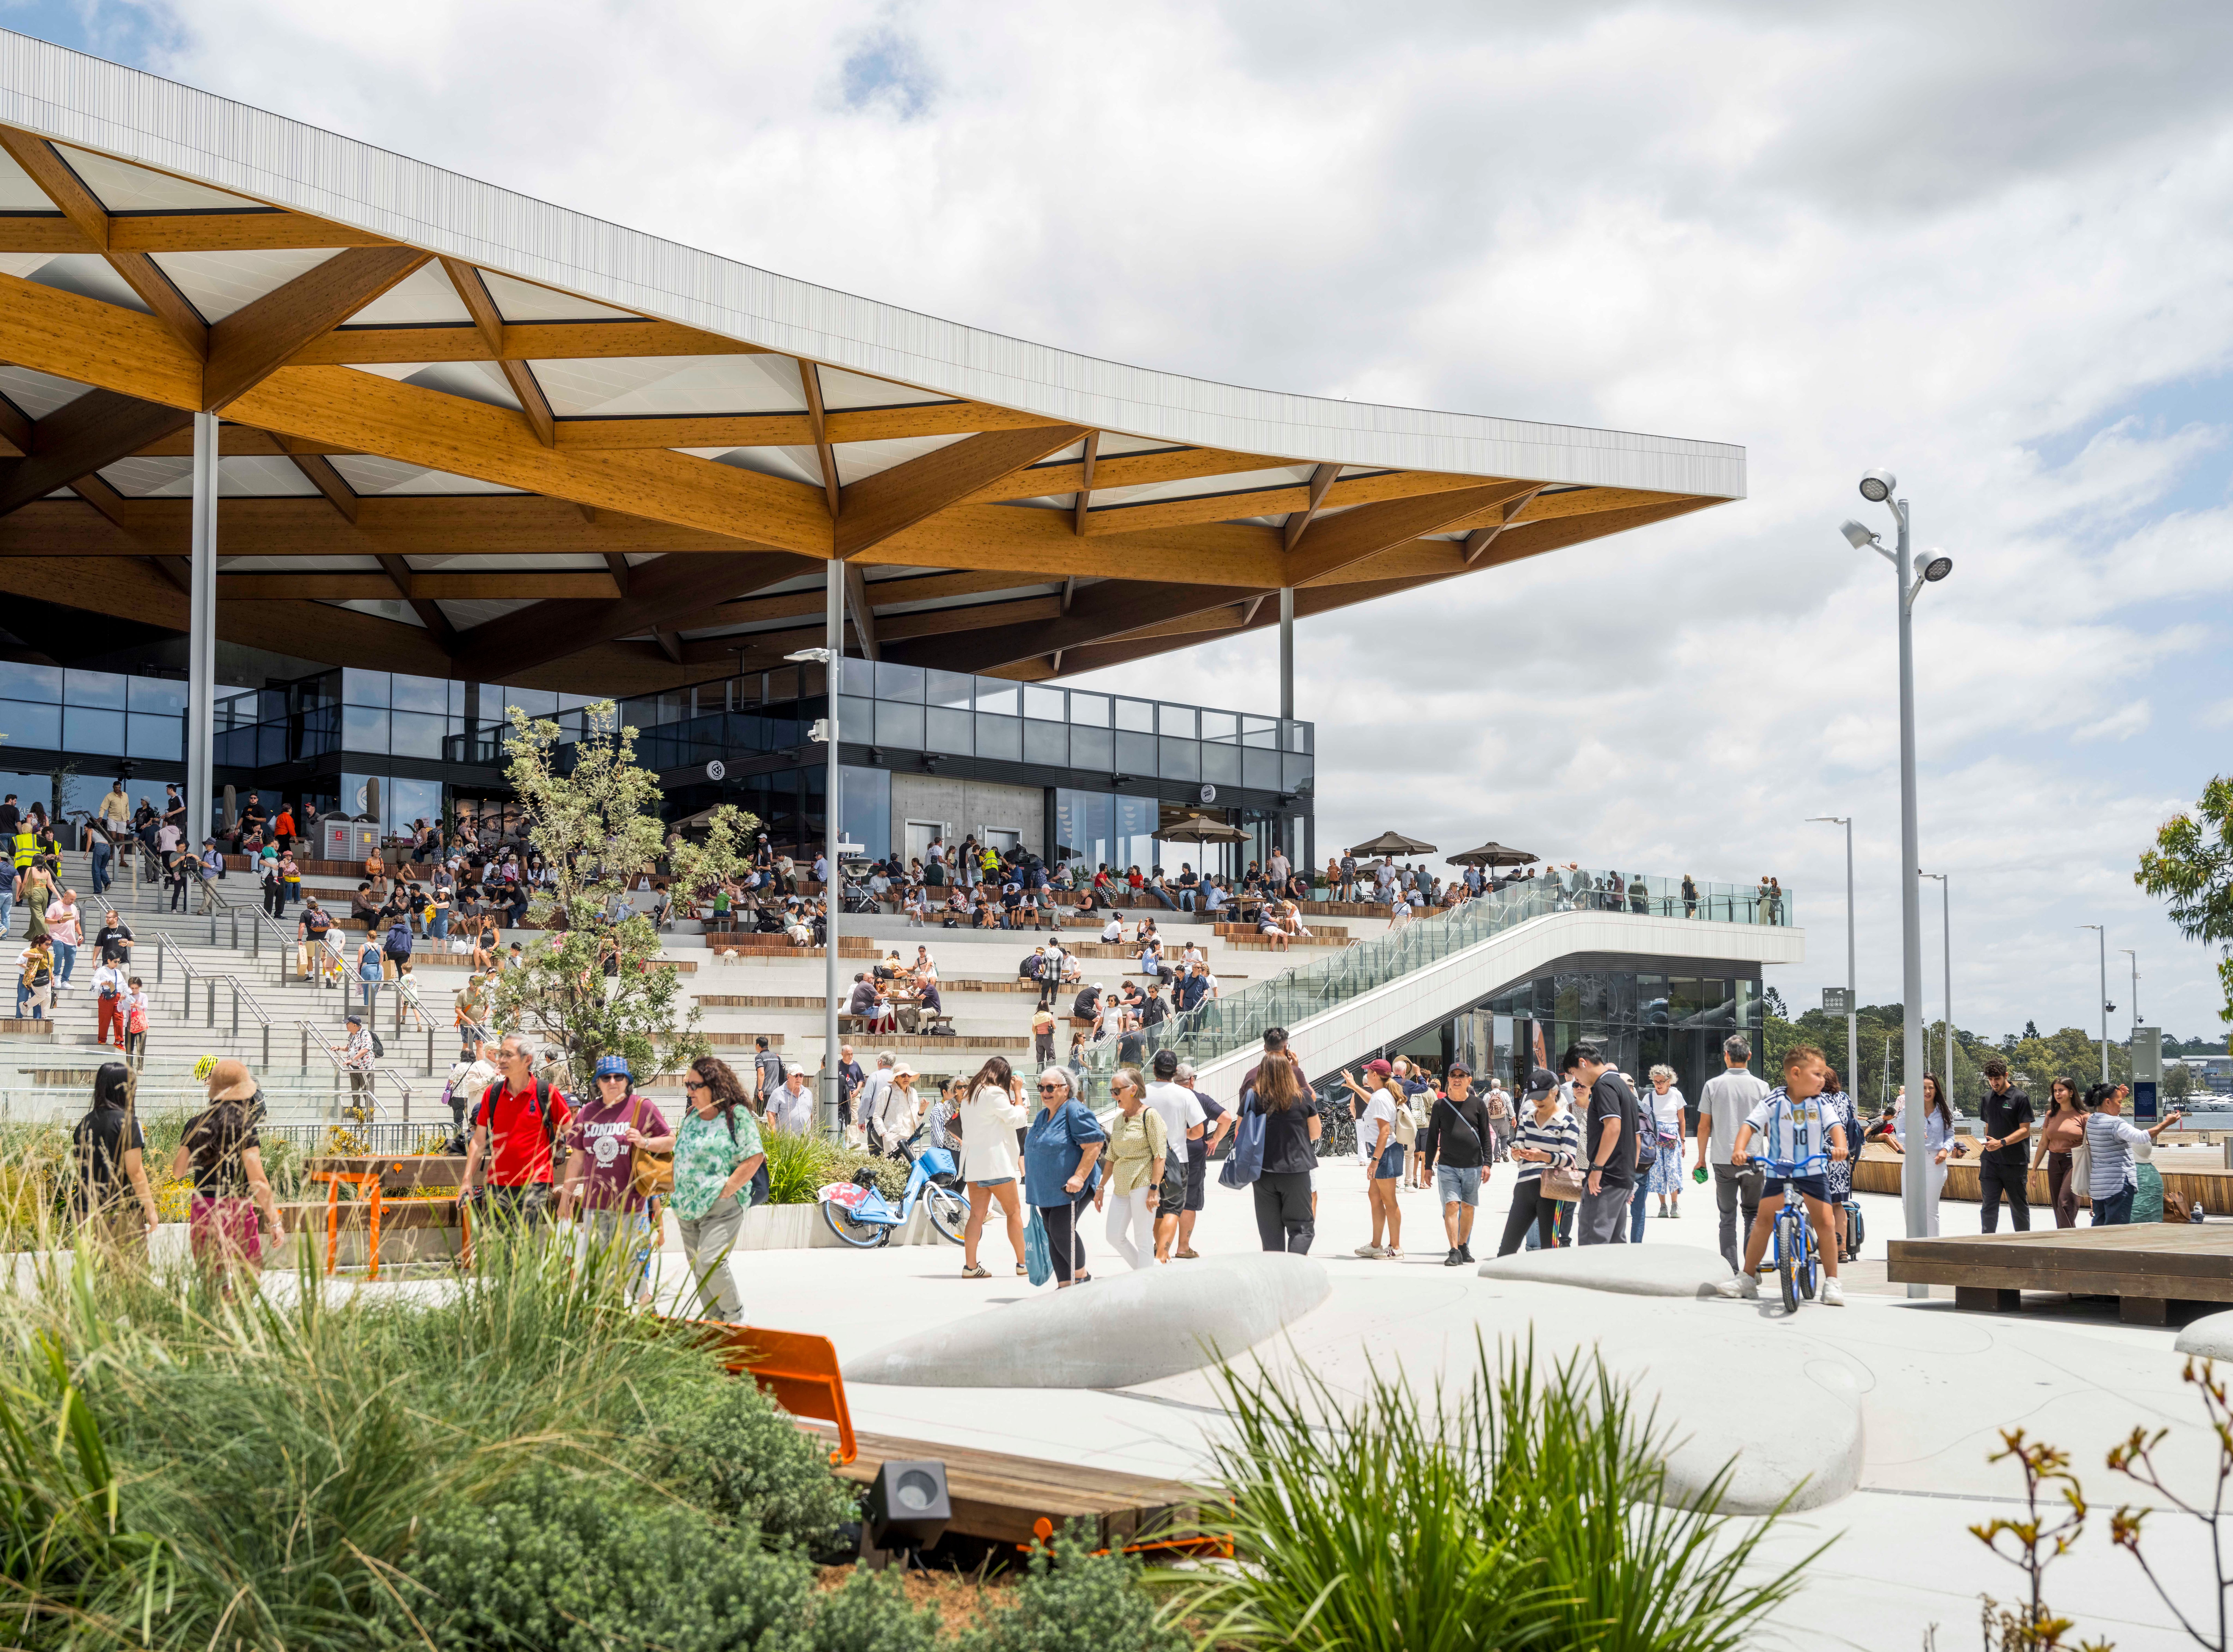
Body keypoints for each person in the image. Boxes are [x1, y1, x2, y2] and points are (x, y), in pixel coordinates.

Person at [1714, 1044, 1849, 1306]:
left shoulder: (1821, 1103)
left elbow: (1836, 1127)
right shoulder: (1775, 1099)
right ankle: (1747, 1278)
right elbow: (1750, 1125)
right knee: (1764, 1221)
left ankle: (1832, 1282)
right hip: (1780, 1170)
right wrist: (1740, 1149)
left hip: (1812, 1170)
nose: (1823, 1080)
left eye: (1823, 1075)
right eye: (1818, 1074)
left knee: (1826, 1223)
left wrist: (1840, 1147)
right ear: (1796, 1074)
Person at [634, 1056, 766, 1320]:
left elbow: (755, 1156)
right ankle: (715, 1322)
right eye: (687, 1085)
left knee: (710, 1262)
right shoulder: (693, 1117)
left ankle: (735, 1316)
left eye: (694, 1085)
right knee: (699, 1268)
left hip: (722, 1207)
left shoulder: (735, 1114)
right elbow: (681, 1151)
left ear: (713, 1085)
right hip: (687, 1207)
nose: (689, 1091)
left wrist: (727, 1188)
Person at [558, 1054, 668, 1297]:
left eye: (619, 1077)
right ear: (598, 1082)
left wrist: (644, 1141)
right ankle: (606, 1328)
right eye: (606, 1077)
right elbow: (576, 1159)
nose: (612, 1082)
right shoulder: (587, 1112)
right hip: (594, 1208)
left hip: (632, 1206)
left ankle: (645, 1322)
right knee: (600, 1274)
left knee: (635, 1275)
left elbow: (670, 1142)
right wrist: (566, 1198)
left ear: (626, 1080)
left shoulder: (641, 1107)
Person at [172, 1059, 285, 1271]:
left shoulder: (194, 1125)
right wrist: (275, 1222)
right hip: (238, 1209)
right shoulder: (245, 1127)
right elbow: (258, 1180)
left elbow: (179, 1172)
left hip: (203, 1207)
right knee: (249, 1277)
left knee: (211, 1280)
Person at [457, 1032, 573, 1230]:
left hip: (536, 1184)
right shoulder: (492, 1094)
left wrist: (570, 1192)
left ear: (527, 1060)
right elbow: (478, 1141)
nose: (500, 1060)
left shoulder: (546, 1093)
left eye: (507, 1055)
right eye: (500, 1054)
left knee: (522, 1245)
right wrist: (467, 1179)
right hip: (498, 1184)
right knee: (501, 1250)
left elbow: (574, 1137)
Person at [1025, 1065, 1106, 1286]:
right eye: (1041, 1087)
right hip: (1046, 1189)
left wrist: (1079, 1177)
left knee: (1062, 1230)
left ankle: (1082, 1277)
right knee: (1052, 1232)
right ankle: (1065, 1285)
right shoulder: (1044, 1115)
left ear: (1066, 1089)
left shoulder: (1075, 1110)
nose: (1045, 1092)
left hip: (1071, 1188)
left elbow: (1094, 1145)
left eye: (1051, 1087)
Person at [1695, 1035, 1769, 1273]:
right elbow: (1770, 1127)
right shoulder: (1762, 1087)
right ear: (1749, 1056)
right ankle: (1751, 1270)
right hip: (1754, 1159)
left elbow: (1704, 1127)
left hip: (1723, 1160)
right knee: (1753, 1214)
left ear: (1726, 1056)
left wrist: (1700, 1160)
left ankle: (1732, 1271)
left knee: (1727, 1217)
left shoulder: (1713, 1085)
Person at [1241, 1030, 1320, 1253]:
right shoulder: (1301, 1092)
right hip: (1296, 1167)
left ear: (1264, 1051)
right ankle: (1295, 1277)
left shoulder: (1252, 1087)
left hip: (1263, 1168)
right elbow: (1315, 1133)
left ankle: (1276, 1280)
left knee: (1271, 1235)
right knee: (1302, 1228)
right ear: (1286, 1050)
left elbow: (1241, 1130)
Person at [70, 1060, 159, 1246]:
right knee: (129, 1271)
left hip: (84, 1211)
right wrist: (150, 1209)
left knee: (92, 1272)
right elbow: (135, 1171)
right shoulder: (129, 1123)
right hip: (120, 1212)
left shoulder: (85, 1123)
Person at [958, 1056, 1030, 1279]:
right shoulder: (995, 1093)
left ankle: (970, 1267)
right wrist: (1018, 1093)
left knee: (976, 1216)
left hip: (974, 1164)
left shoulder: (969, 1095)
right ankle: (1022, 1264)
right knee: (1014, 1212)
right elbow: (1017, 1120)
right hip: (996, 1163)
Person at [1497, 1067, 1579, 1255]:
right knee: (1507, 1248)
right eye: (1534, 1097)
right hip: (1525, 1186)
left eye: (1543, 1096)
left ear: (1555, 1092)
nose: (1538, 1101)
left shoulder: (1568, 1121)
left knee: (1549, 1250)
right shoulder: (1527, 1117)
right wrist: (1517, 1153)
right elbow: (1519, 1143)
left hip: (1552, 1190)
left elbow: (1569, 1159)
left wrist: (1543, 1156)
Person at [1567, 1042, 1640, 1246]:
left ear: (1583, 1063)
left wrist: (1598, 1168)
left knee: (1594, 1242)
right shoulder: (1623, 1087)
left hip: (1606, 1178)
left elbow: (1614, 1127)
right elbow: (1636, 1137)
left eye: (1575, 1074)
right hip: (1621, 1176)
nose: (1578, 1081)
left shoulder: (1604, 1085)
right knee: (1615, 1245)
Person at [2083, 1083, 2182, 1226]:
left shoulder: (2091, 1121)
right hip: (2118, 1184)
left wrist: (2117, 1097)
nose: (2121, 1106)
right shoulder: (2116, 1123)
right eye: (2120, 1102)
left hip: (2099, 1186)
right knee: (2117, 1229)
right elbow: (2141, 1138)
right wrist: (2166, 1123)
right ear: (2108, 1102)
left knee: (2099, 1227)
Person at [1140, 1049, 1206, 1263]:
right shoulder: (1186, 1094)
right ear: (1175, 1071)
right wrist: (1180, 1133)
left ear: (1154, 1069)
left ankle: (1161, 1250)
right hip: (1178, 1161)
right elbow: (1199, 1132)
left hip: (1147, 1162)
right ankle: (1163, 1253)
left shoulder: (1143, 1093)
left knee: (1156, 1211)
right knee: (1173, 1210)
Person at [1429, 1061, 1494, 1266]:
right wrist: (1426, 1168)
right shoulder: (1440, 1106)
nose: (1457, 1079)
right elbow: (1432, 1138)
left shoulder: (1478, 1105)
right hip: (1447, 1166)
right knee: (1452, 1206)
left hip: (1474, 1166)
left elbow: (1486, 1136)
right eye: (1453, 1075)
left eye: (1461, 1075)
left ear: (1469, 1080)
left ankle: (1464, 1245)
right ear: (1448, 1079)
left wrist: (1488, 1164)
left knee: (1468, 1207)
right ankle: (1454, 1250)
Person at [1881, 1072, 1960, 1236]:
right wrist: (1913, 1136)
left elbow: (1950, 1136)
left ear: (1937, 1090)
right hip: (1912, 1161)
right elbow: (1900, 1135)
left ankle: (1932, 1248)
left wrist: (1946, 1150)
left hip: (1935, 1162)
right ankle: (1913, 1244)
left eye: (1931, 1088)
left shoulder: (1945, 1111)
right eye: (1924, 1088)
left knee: (1930, 1209)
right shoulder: (1909, 1110)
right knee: (1908, 1205)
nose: (1928, 1091)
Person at [1171, 1060, 1232, 1260]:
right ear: (1191, 1080)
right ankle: (1183, 1248)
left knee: (1166, 1199)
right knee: (1189, 1202)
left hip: (1168, 1155)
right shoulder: (1202, 1100)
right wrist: (1214, 1140)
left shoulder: (1168, 1097)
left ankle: (1160, 1245)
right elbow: (1227, 1118)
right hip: (1195, 1159)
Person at [1347, 1059, 1407, 1258]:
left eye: (1369, 1072)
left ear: (1375, 1076)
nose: (1367, 1075)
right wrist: (1355, 1087)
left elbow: (1384, 1132)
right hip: (1384, 1151)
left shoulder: (1381, 1098)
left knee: (1389, 1200)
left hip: (1386, 1152)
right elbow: (1372, 1101)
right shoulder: (1380, 1095)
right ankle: (1376, 1245)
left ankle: (1396, 1247)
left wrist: (1374, 1161)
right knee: (1375, 1197)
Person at [1975, 1058, 2034, 1234]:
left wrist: (2001, 1143)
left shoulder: (2021, 1098)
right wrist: (1991, 1145)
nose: (1994, 1083)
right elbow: (1988, 1126)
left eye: (1997, 1079)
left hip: (2015, 1163)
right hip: (1990, 1162)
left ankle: (2023, 1246)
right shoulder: (1987, 1098)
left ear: (2006, 1076)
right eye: (1991, 1079)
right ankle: (1987, 1245)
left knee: (2019, 1208)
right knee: (1988, 1208)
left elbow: (2025, 1131)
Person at [2031, 1077, 2088, 1229]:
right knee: (2058, 1205)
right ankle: (2068, 1237)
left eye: (2061, 1090)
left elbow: (2091, 1145)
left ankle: (2066, 1240)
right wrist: (2034, 1169)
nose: (2057, 1094)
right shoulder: (2051, 1115)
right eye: (2055, 1091)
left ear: (2071, 1092)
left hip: (2074, 1163)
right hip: (2054, 1162)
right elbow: (2044, 1143)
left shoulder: (2084, 1116)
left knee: (2065, 1202)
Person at [1644, 1065, 1687, 1219]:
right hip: (1655, 1139)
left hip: (1672, 1138)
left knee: (1672, 1169)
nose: (1659, 1085)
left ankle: (1675, 1205)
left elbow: (1682, 1120)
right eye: (1656, 1082)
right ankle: (1663, 1206)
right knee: (1658, 1172)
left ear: (1669, 1081)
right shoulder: (1648, 1098)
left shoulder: (1676, 1095)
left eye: (1662, 1081)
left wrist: (1683, 1141)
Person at [338, 1011, 376, 1115]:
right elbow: (349, 1048)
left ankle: (370, 1114)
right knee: (355, 1092)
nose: (347, 1025)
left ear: (355, 1025)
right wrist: (338, 1048)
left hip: (365, 1069)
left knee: (366, 1092)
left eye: (348, 1023)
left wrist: (353, 1059)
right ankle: (357, 1111)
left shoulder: (365, 1034)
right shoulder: (352, 1035)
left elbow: (366, 1050)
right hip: (354, 1069)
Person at [43, 886, 79, 993]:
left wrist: (81, 934)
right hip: (57, 936)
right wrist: (59, 922)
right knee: (59, 953)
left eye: (74, 900)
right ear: (65, 896)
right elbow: (47, 920)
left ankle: (65, 980)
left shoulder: (74, 908)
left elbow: (77, 923)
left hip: (71, 938)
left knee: (71, 960)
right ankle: (57, 975)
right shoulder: (55, 906)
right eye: (71, 899)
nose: (73, 902)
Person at [767, 1065, 816, 1134]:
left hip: (806, 1141)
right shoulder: (778, 1093)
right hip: (786, 1141)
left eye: (801, 1076)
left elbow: (812, 1115)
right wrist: (774, 1135)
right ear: (788, 1077)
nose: (799, 1078)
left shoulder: (808, 1094)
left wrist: (814, 1134)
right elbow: (771, 1114)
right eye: (796, 1076)